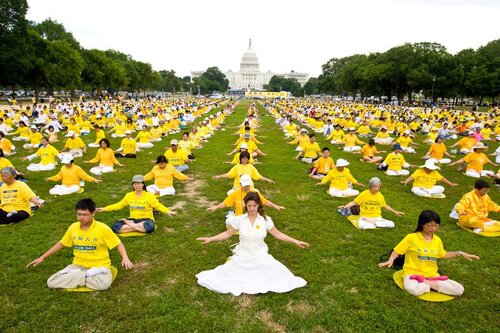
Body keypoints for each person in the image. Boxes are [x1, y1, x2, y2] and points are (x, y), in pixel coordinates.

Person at [196, 192, 309, 296]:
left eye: (254, 206)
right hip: (243, 254)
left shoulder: (266, 220)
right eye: (249, 206)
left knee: (278, 272)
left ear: (259, 205)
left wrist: (296, 241)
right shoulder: (239, 219)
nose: (251, 208)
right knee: (225, 274)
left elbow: (278, 234)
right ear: (246, 206)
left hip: (260, 254)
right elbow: (227, 233)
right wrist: (210, 239)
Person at [26, 199, 134, 291]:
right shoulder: (73, 227)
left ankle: (76, 276)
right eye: (79, 214)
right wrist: (42, 257)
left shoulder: (102, 228)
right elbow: (61, 243)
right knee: (51, 282)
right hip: (78, 266)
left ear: (93, 213)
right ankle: (85, 275)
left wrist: (125, 258)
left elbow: (118, 243)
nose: (81, 217)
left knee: (104, 285)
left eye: (85, 215)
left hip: (99, 266)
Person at [378, 210, 479, 297]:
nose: (433, 228)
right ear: (422, 224)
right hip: (412, 273)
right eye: (429, 225)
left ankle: (426, 283)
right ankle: (432, 285)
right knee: (412, 289)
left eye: (436, 225)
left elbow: (442, 254)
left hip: (431, 275)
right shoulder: (411, 237)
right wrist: (390, 260)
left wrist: (459, 253)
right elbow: (397, 250)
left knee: (459, 290)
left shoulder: (437, 240)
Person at [96, 175, 176, 235]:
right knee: (115, 227)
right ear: (132, 185)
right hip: (133, 219)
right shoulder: (129, 195)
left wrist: (168, 211)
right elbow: (119, 205)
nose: (136, 185)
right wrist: (105, 208)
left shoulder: (149, 195)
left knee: (150, 227)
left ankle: (129, 225)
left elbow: (157, 205)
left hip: (146, 219)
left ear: (143, 185)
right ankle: (137, 227)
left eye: (139, 183)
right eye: (134, 184)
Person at [207, 174, 285, 226]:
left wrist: (276, 206)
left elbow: (265, 201)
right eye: (245, 185)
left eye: (248, 185)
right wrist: (215, 207)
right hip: (240, 218)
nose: (247, 187)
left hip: (253, 216)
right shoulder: (235, 193)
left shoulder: (255, 192)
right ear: (240, 184)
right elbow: (225, 203)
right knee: (228, 222)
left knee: (267, 222)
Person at [338, 177, 403, 230]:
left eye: (378, 187)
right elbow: (354, 202)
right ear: (370, 186)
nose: (376, 189)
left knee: (392, 224)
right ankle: (375, 223)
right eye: (374, 187)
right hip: (365, 216)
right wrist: (345, 206)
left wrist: (395, 212)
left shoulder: (380, 195)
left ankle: (375, 223)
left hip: (377, 217)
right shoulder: (364, 194)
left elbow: (385, 205)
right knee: (362, 226)